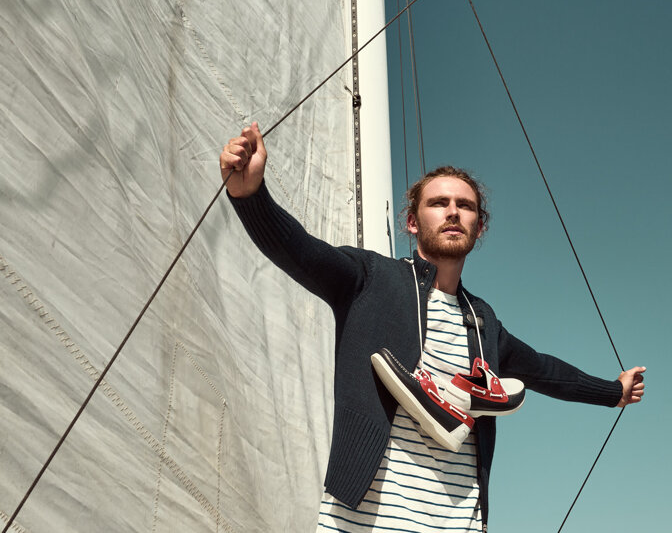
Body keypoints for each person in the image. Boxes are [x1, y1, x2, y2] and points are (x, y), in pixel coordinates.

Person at [221, 123, 646, 533]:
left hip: (459, 523)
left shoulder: (482, 321)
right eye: (439, 203)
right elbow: (300, 251)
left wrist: (613, 392)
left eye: (466, 206)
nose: (453, 212)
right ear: (412, 221)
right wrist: (251, 196)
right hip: (365, 523)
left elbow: (544, 371)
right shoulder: (371, 279)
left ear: (479, 227)